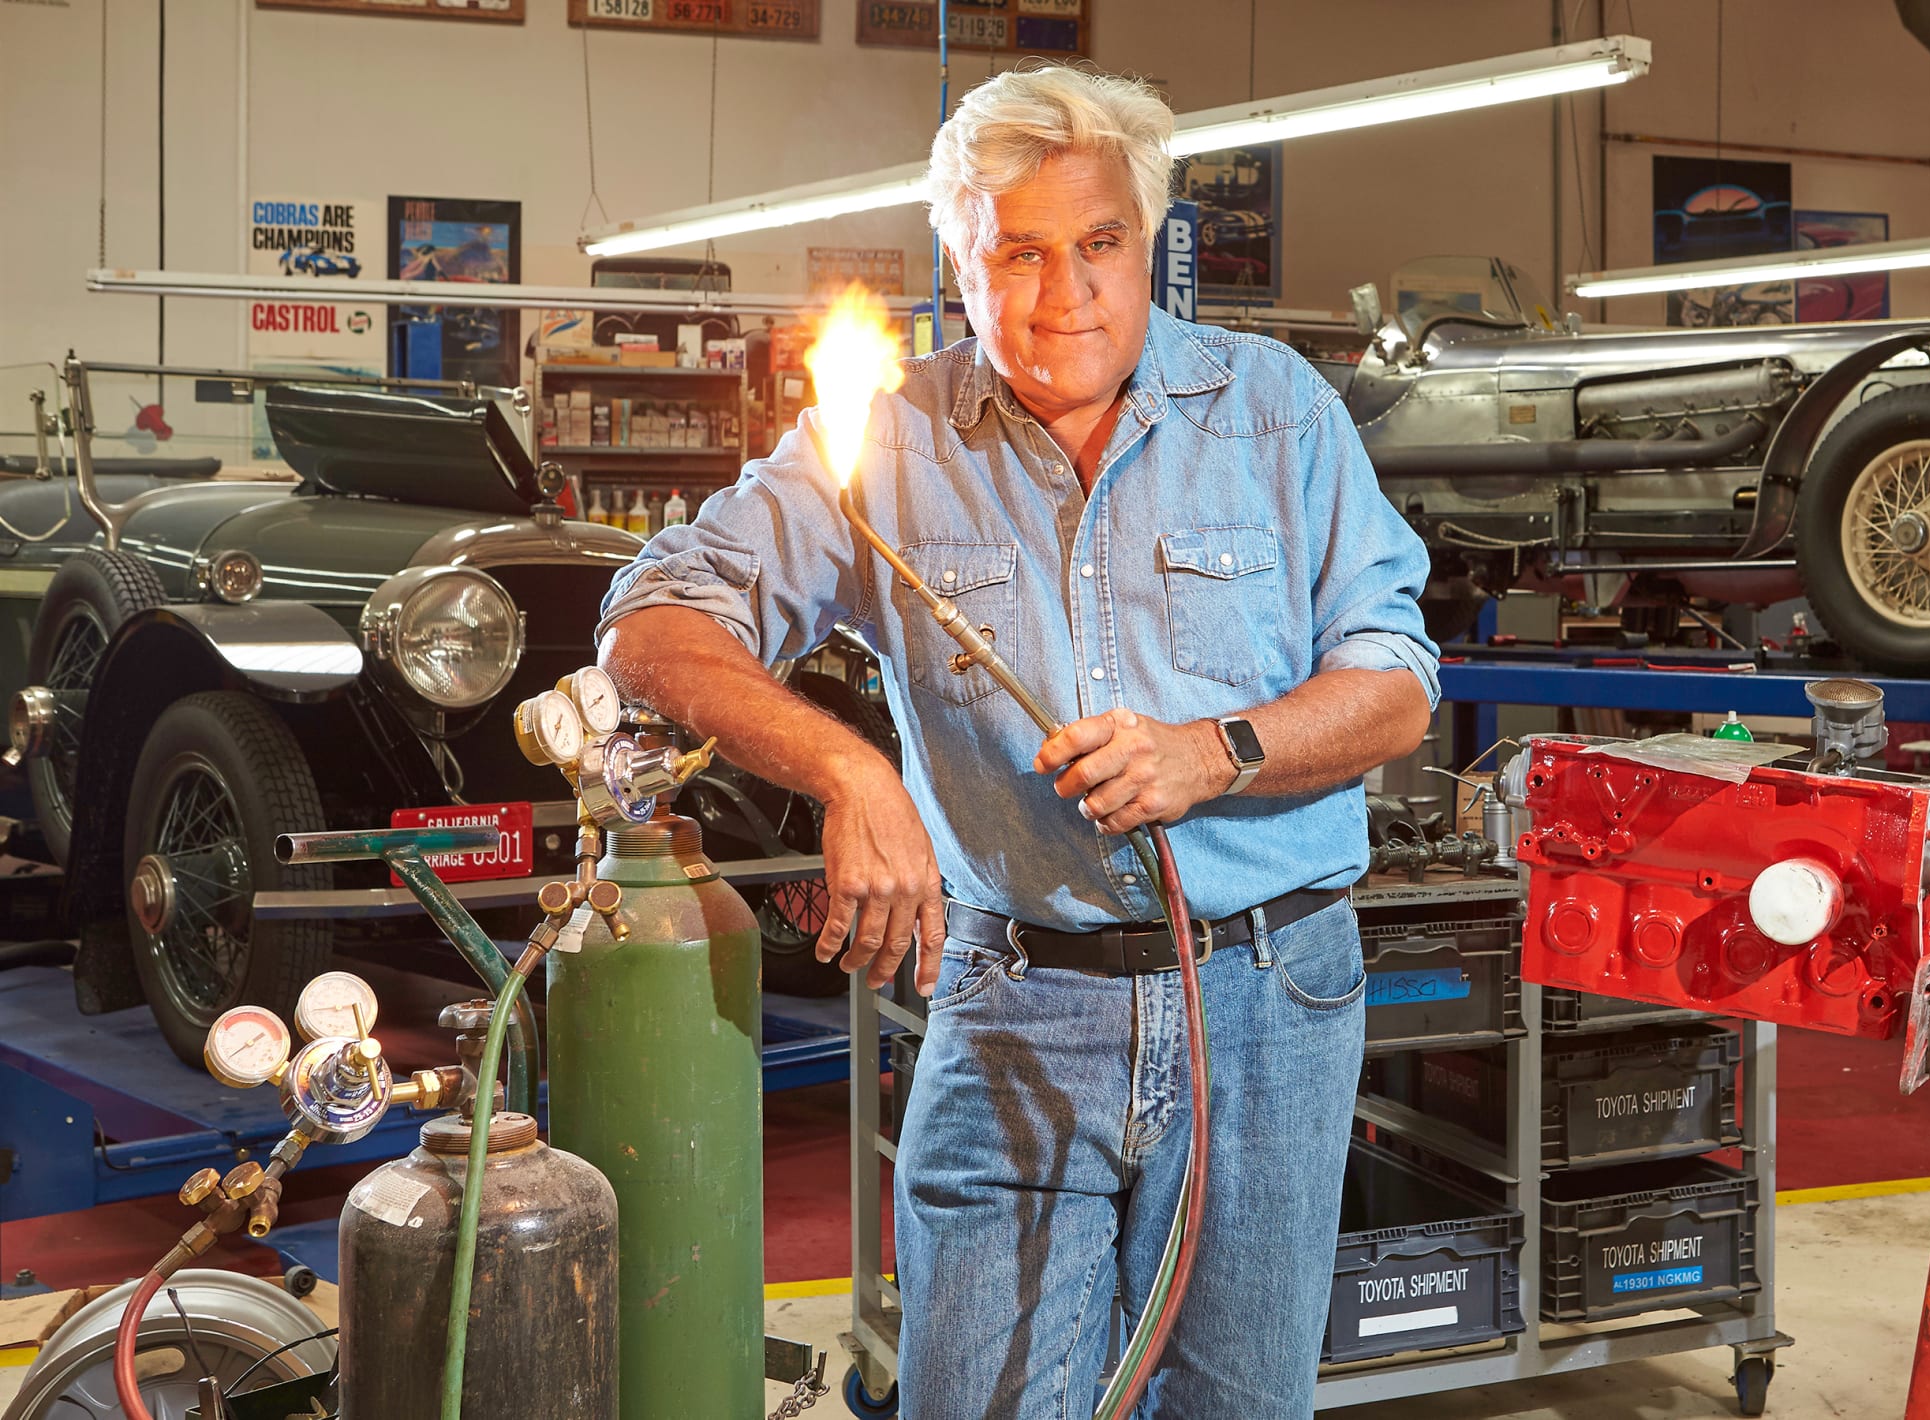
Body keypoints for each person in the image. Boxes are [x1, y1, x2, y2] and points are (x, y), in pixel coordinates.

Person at [594, 64, 1438, 1417]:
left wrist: (1213, 750)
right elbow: (648, 619)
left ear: (1151, 239)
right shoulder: (885, 441)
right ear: (957, 260)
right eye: (1019, 253)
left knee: (1236, 1403)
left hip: (1269, 999)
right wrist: (849, 770)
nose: (1066, 295)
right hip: (1012, 1001)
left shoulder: (1277, 412)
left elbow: (1395, 680)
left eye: (1100, 244)